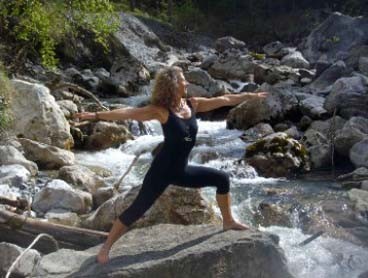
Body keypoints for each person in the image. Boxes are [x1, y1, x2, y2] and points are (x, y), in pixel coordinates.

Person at [73, 66, 268, 264]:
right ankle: (105, 249)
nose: (187, 83)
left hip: (182, 170)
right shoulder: (161, 111)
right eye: (184, 80)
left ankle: (228, 221)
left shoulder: (193, 104)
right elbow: (129, 112)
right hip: (161, 171)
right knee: (138, 208)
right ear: (174, 84)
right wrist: (95, 116)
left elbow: (225, 100)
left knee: (222, 179)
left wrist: (250, 96)